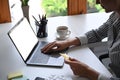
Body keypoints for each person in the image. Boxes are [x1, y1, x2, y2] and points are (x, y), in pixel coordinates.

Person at [41, 0, 120, 80]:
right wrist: (66, 43)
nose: (97, 2)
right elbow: (97, 34)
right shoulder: (115, 16)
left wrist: (88, 72)